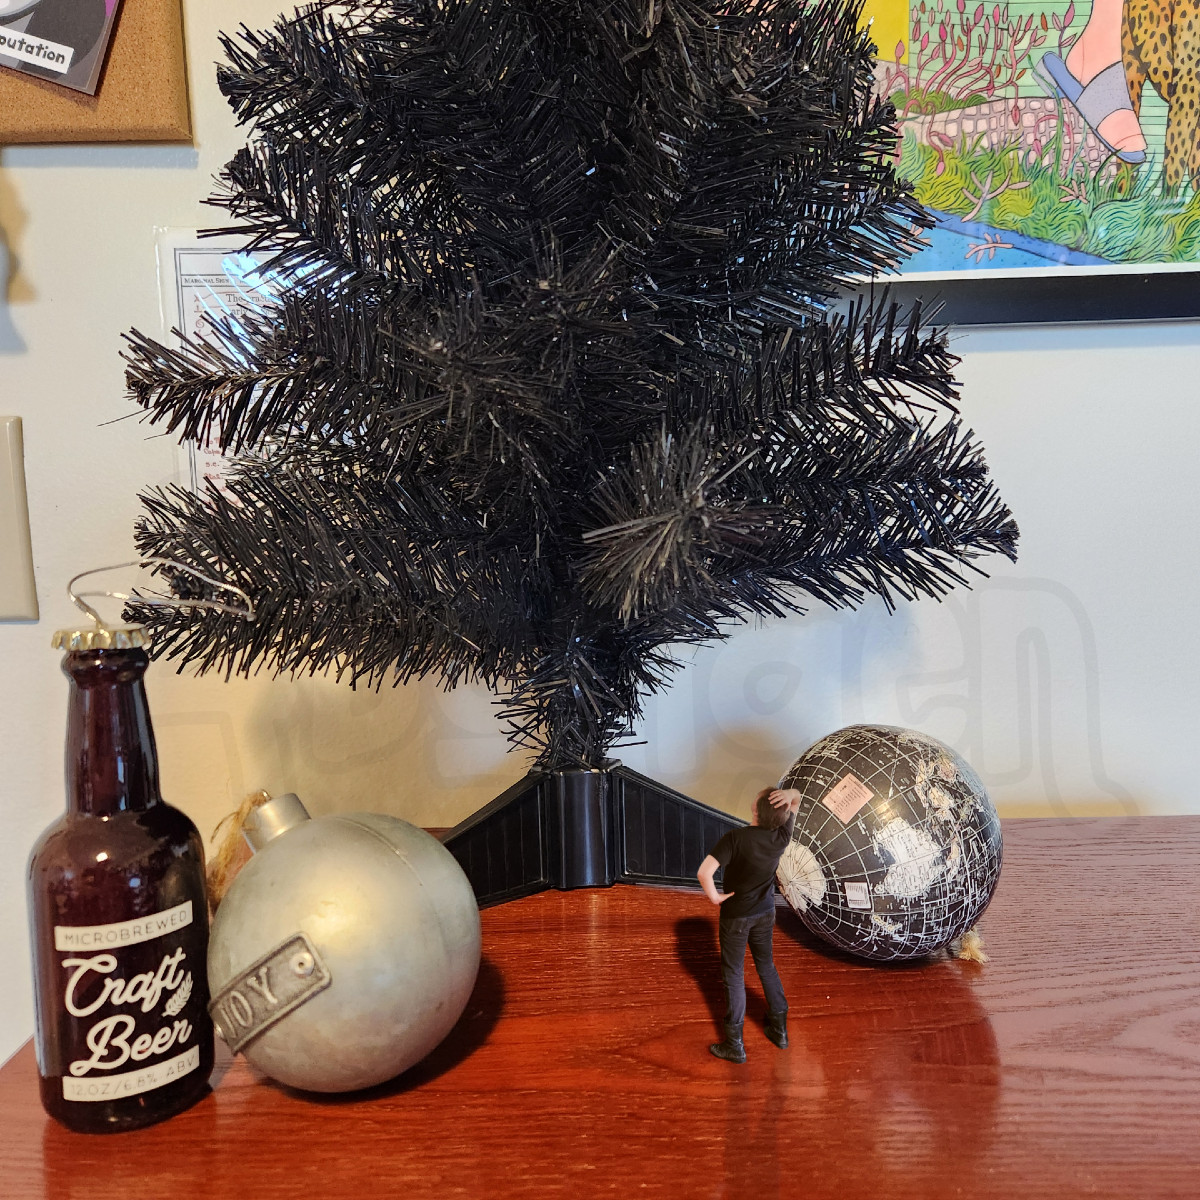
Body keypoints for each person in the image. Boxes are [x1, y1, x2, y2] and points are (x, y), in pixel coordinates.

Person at [696, 786, 801, 1064]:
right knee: (766, 966)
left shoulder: (735, 839)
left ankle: (735, 1045)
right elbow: (796, 799)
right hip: (766, 913)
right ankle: (779, 1032)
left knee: (733, 974)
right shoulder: (781, 836)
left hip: (736, 917)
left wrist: (715, 897)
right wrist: (790, 793)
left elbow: (704, 872)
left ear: (755, 810)